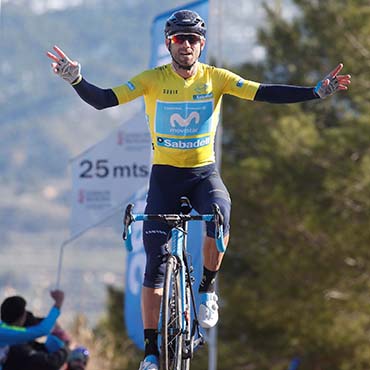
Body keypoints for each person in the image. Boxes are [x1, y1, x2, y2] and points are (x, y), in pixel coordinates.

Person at [46, 9, 351, 370]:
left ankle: (206, 288)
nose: (186, 45)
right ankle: (150, 352)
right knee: (154, 266)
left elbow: (264, 92)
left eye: (192, 39)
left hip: (203, 175)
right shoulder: (151, 79)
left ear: (202, 44)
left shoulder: (216, 78)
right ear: (168, 43)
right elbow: (103, 100)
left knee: (220, 215)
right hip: (164, 179)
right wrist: (76, 80)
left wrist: (315, 92)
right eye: (179, 39)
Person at [0, 290, 64, 368]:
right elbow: (42, 330)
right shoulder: (4, 332)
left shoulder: (4, 329)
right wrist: (58, 304)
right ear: (21, 318)